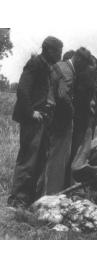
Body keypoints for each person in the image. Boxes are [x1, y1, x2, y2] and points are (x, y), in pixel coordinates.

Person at [8, 36, 63, 208]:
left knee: (38, 160)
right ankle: (17, 199)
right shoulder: (35, 64)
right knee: (28, 159)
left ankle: (28, 198)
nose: (60, 54)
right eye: (58, 51)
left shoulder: (49, 68)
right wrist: (31, 112)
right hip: (33, 120)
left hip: (43, 120)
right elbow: (23, 90)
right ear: (47, 49)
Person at [39, 47, 93, 195]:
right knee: (57, 161)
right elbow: (63, 95)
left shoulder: (60, 65)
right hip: (61, 122)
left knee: (48, 159)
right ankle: (51, 195)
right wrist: (72, 111)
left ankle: (42, 192)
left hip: (51, 119)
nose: (83, 69)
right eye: (84, 65)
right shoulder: (68, 71)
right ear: (79, 60)